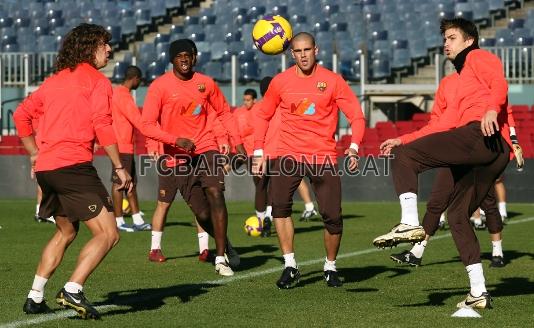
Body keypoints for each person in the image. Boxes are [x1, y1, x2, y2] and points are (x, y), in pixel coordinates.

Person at [375, 18, 513, 309]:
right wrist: (405, 138)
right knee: (458, 216)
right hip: (489, 152)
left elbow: (499, 82)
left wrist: (490, 110)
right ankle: (479, 292)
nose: (445, 44)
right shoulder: (458, 81)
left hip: (481, 136)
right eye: (445, 39)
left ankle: (409, 223)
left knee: (405, 158)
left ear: (469, 40)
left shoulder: (478, 57)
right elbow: (443, 123)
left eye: (451, 38)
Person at [14, 23, 131, 319]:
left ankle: (35, 296)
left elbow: (21, 115)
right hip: (72, 168)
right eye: (104, 44)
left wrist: (33, 154)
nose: (109, 49)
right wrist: (119, 167)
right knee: (109, 233)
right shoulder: (98, 82)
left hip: (47, 170)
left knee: (66, 230)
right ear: (89, 47)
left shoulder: (53, 82)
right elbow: (102, 125)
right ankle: (73, 289)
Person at [252, 32, 365, 288]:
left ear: (316, 50)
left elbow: (356, 116)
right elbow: (262, 116)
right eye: (298, 51)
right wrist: (259, 150)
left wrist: (354, 147)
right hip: (288, 155)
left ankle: (330, 266)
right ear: (292, 54)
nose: (303, 55)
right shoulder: (280, 82)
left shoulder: (333, 81)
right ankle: (290, 265)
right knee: (279, 206)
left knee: (333, 217)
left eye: (307, 50)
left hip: (322, 156)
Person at [141, 39, 245, 276]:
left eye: (188, 55)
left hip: (207, 148)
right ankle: (225, 243)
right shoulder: (159, 87)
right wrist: (174, 140)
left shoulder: (206, 83)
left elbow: (224, 113)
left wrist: (237, 143)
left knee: (215, 193)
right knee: (202, 213)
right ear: (172, 60)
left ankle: (220, 258)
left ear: (195, 57)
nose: (184, 59)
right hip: (178, 157)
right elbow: (146, 124)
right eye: (179, 56)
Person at [110, 65, 152, 232]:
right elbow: (137, 119)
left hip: (123, 144)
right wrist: (153, 129)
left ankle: (137, 219)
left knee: (131, 183)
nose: (139, 83)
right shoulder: (123, 96)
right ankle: (118, 221)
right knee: (119, 182)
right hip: (122, 145)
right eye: (139, 80)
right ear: (134, 78)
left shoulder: (118, 93)